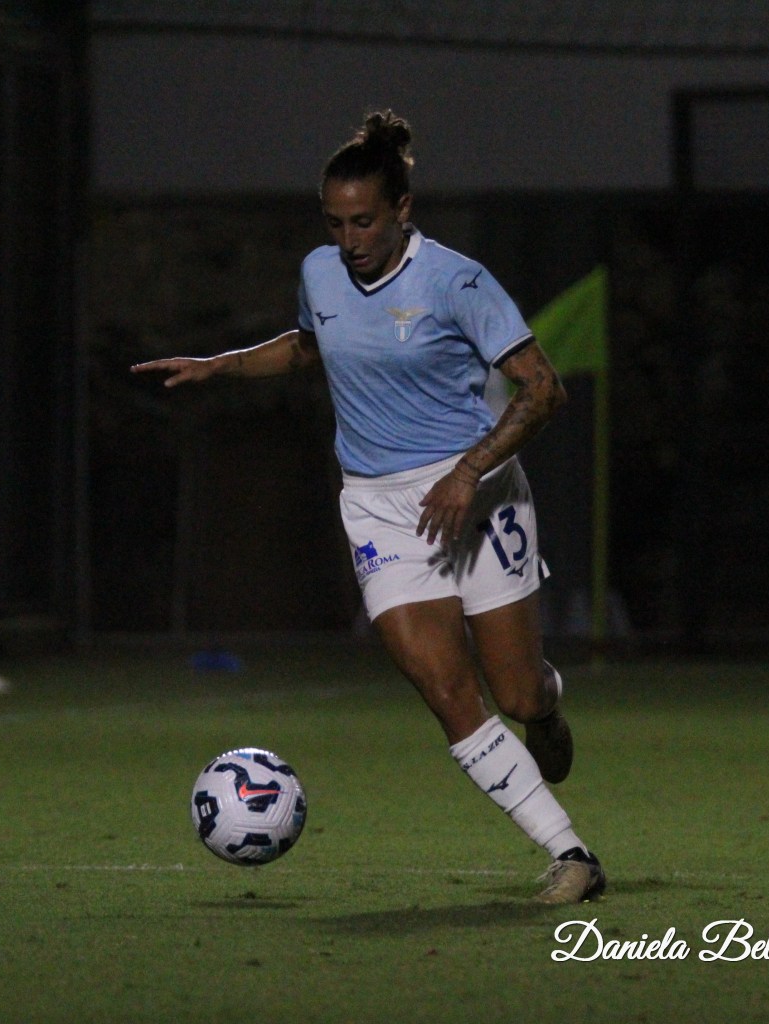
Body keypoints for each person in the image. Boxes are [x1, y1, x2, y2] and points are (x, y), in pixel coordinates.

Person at [132, 111, 605, 904]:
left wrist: (469, 471)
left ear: (402, 210)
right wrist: (222, 364)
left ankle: (546, 708)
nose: (348, 240)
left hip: (478, 496)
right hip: (381, 511)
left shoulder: (457, 282)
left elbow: (543, 389)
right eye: (335, 222)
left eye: (364, 222)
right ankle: (572, 855)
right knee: (446, 690)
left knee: (517, 694)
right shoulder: (320, 273)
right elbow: (308, 344)